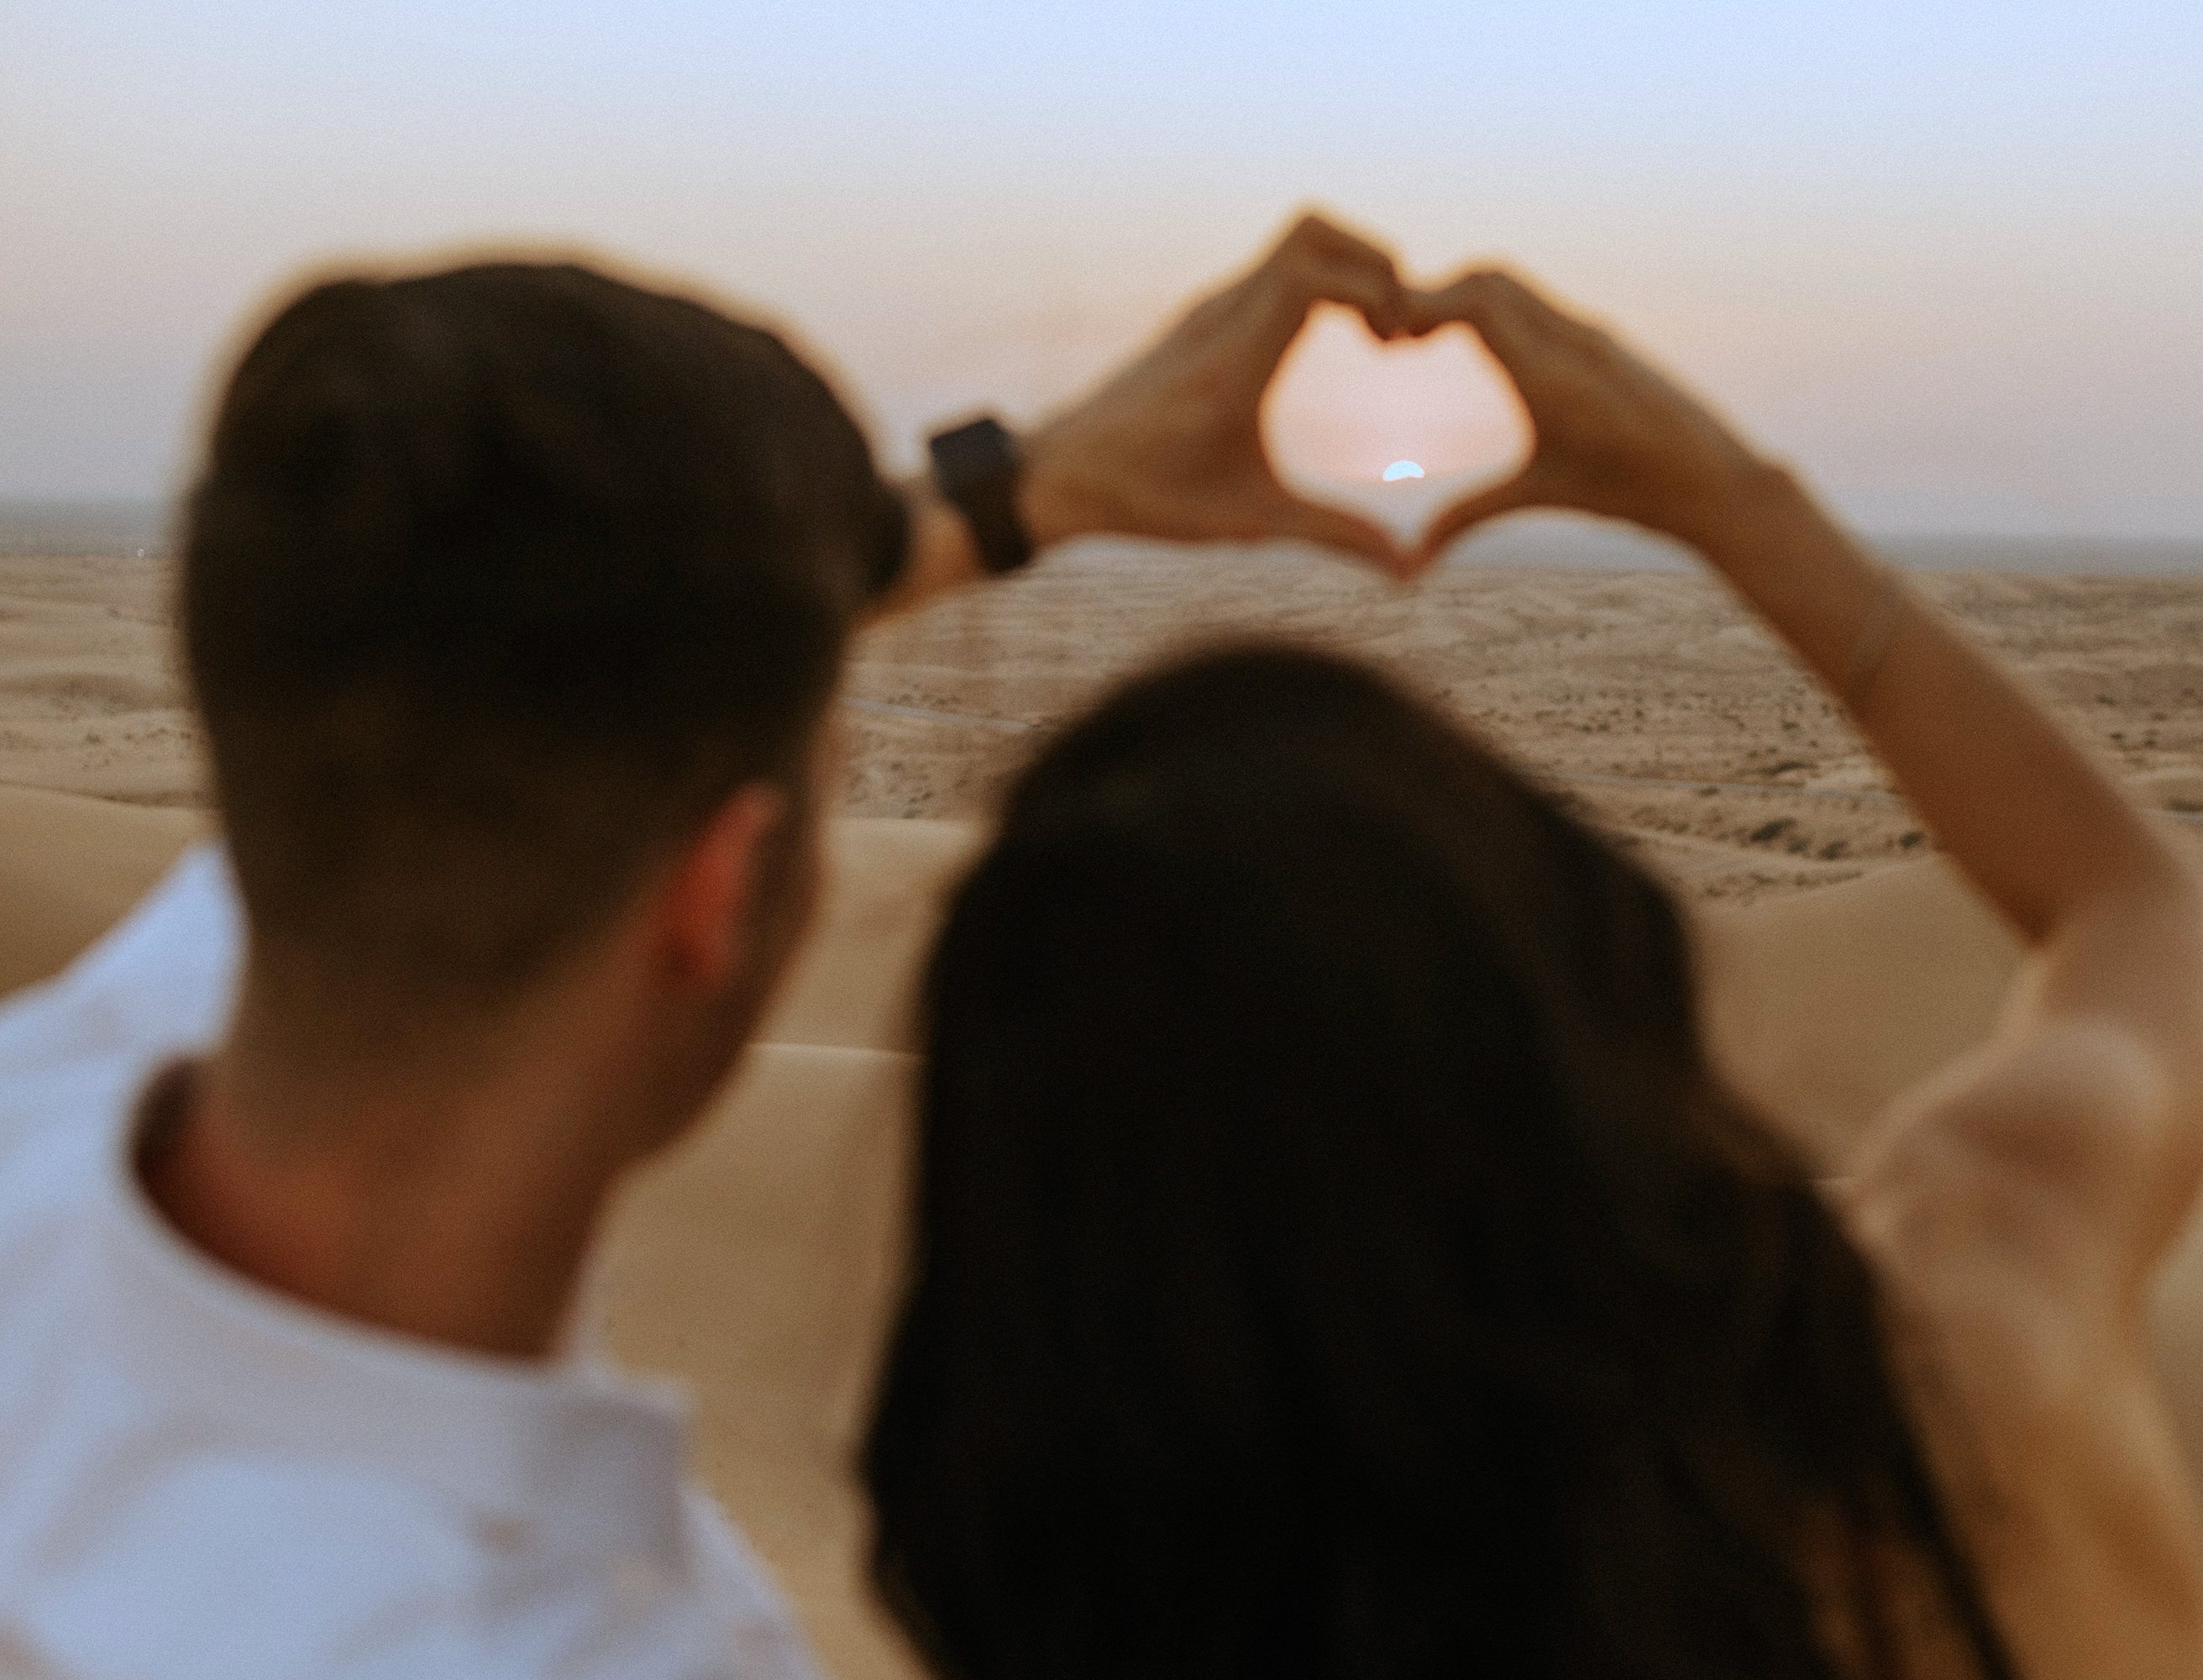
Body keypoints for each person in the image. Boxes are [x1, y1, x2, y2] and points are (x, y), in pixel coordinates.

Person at [0, 216, 1421, 1677]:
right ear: (723, 889)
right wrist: (1680, 480)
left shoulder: (58, 1090)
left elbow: (506, 682)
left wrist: (1024, 491)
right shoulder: (598, 1649)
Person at [863, 272, 2203, 1680]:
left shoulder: (1088, 1609)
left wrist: (996, 506)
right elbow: (2128, 905)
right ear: (1585, 998)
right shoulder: (1957, 1389)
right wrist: (1732, 501)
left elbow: (642, 860)